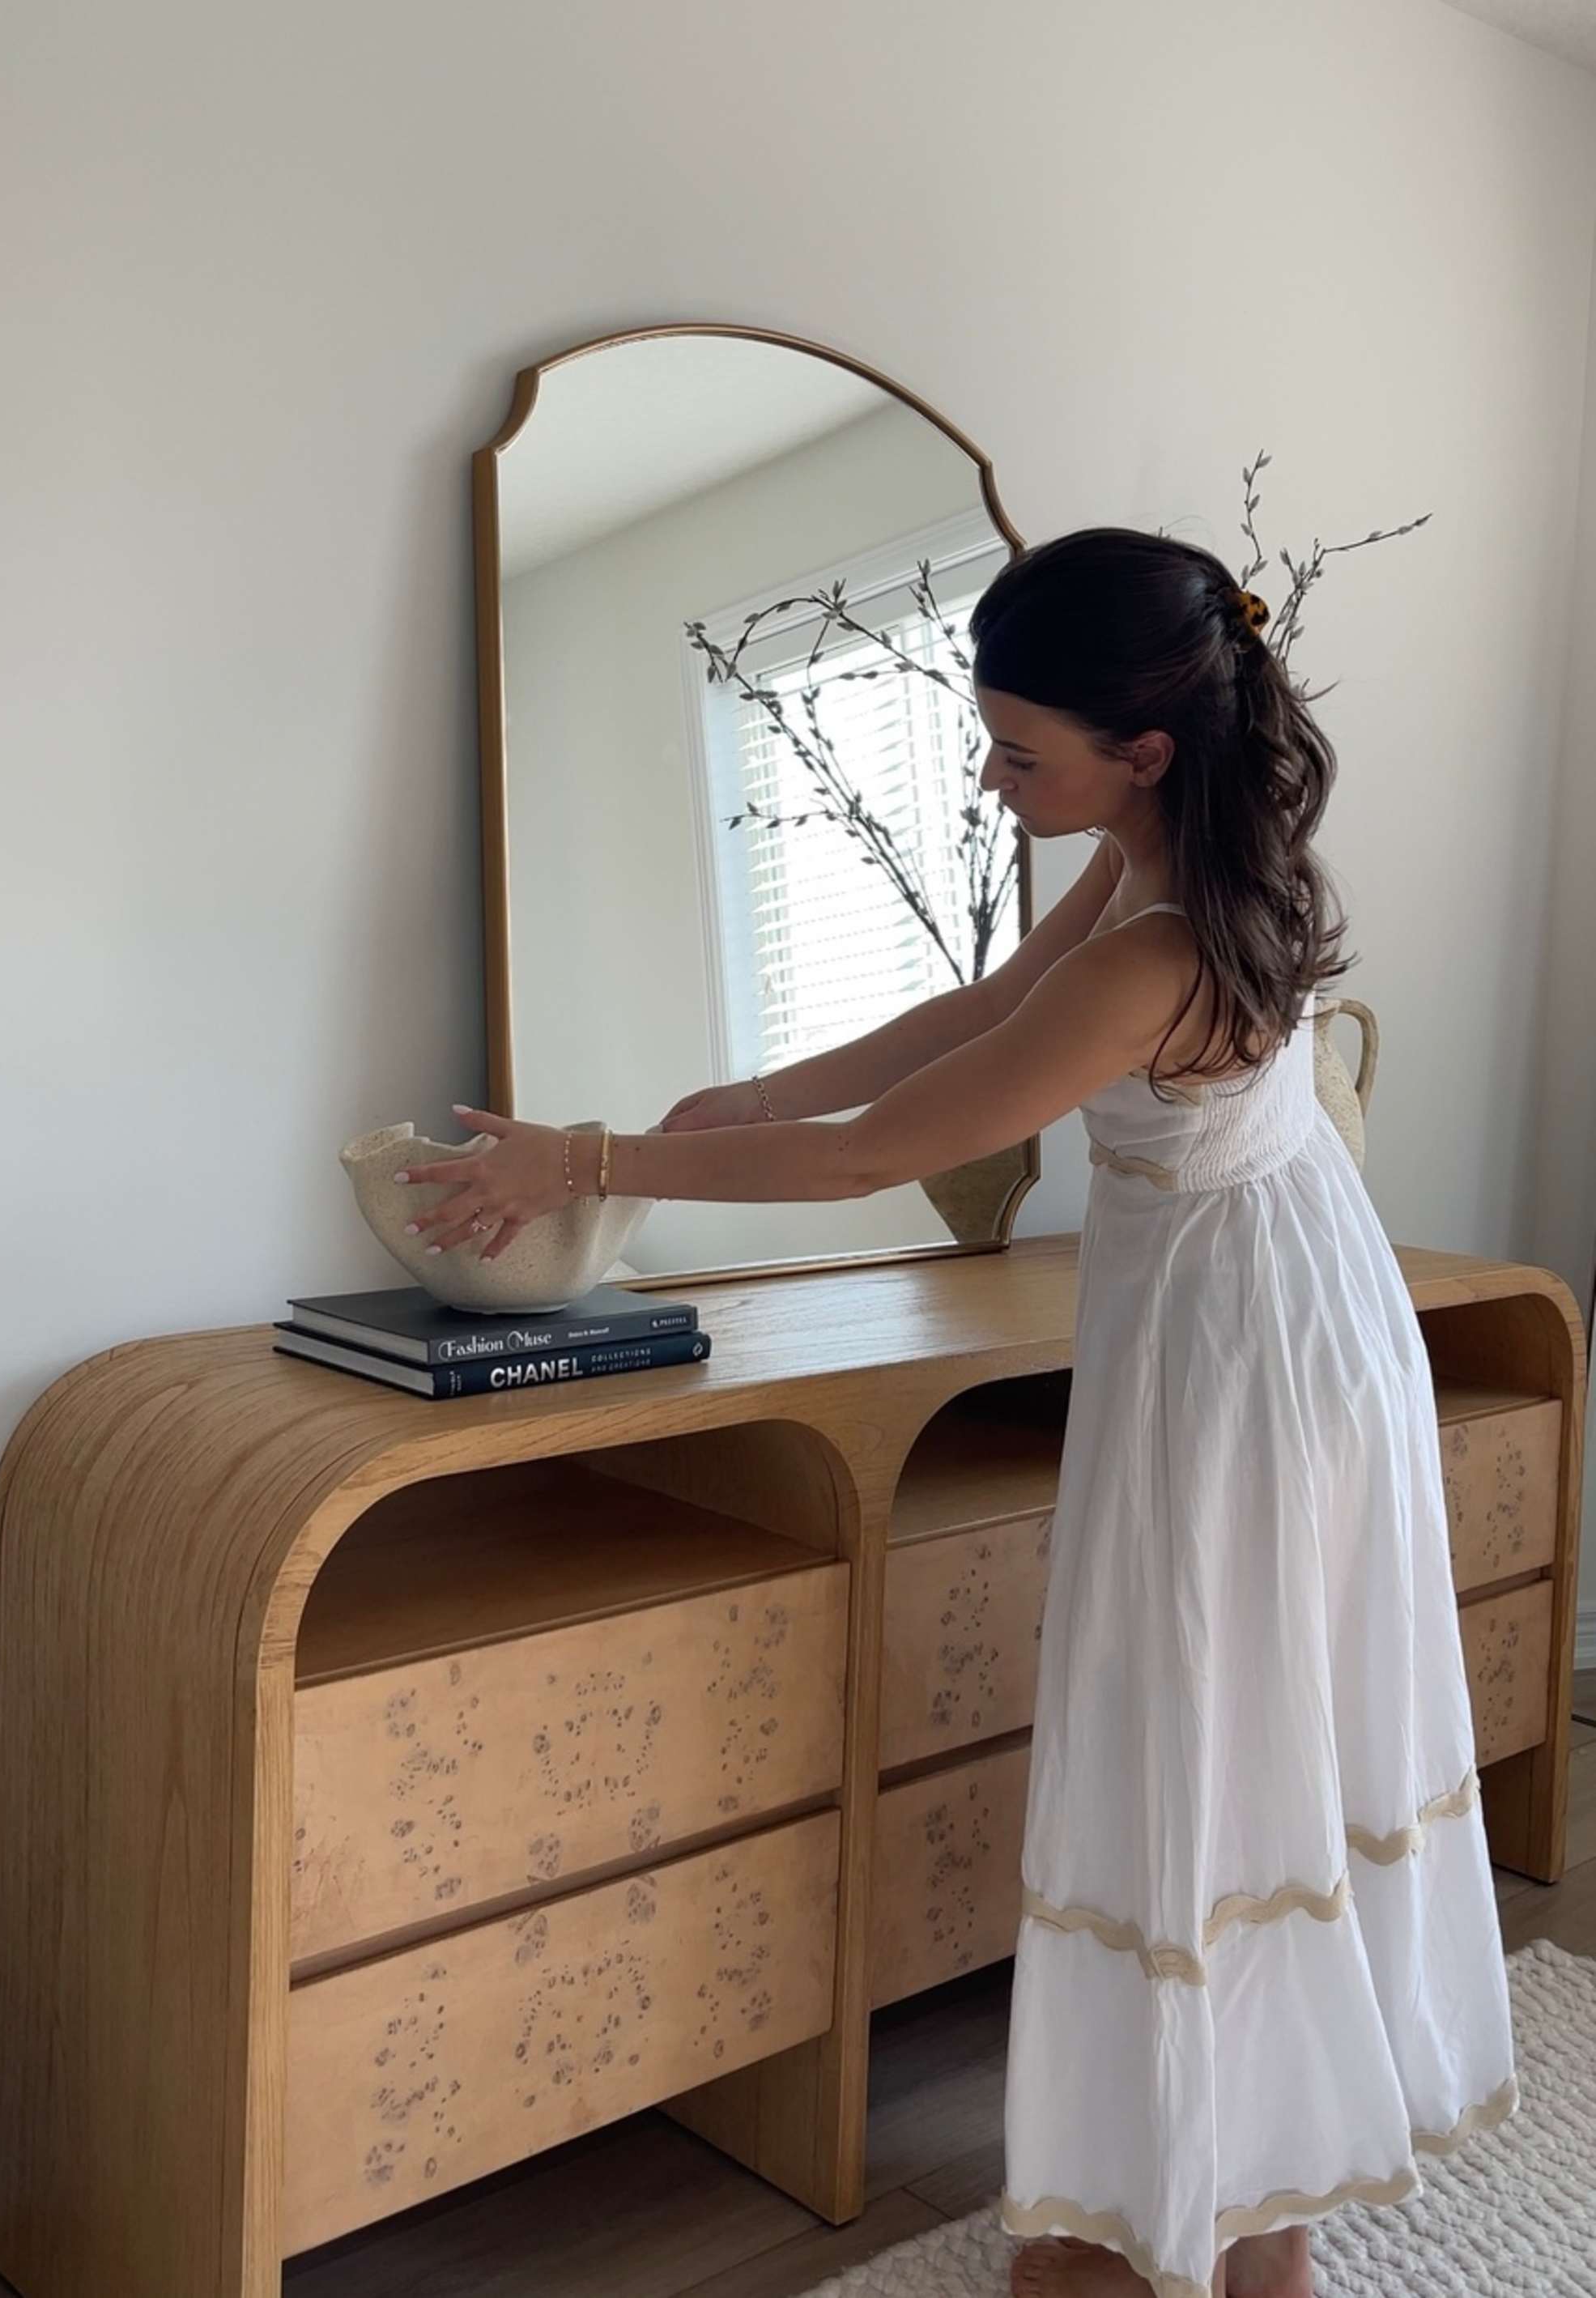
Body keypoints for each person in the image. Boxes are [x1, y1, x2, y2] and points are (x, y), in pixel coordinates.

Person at [398, 528, 1517, 2298]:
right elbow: (980, 1013)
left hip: (1245, 1360)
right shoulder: (1175, 854)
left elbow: (882, 1155)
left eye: (1016, 752)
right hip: (1285, 1311)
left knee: (1209, 1754)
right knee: (1239, 1745)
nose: (993, 782)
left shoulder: (1153, 953)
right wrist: (734, 1101)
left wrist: (595, 1161)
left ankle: (1233, 2227)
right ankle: (1227, 2212)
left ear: (1140, 751)